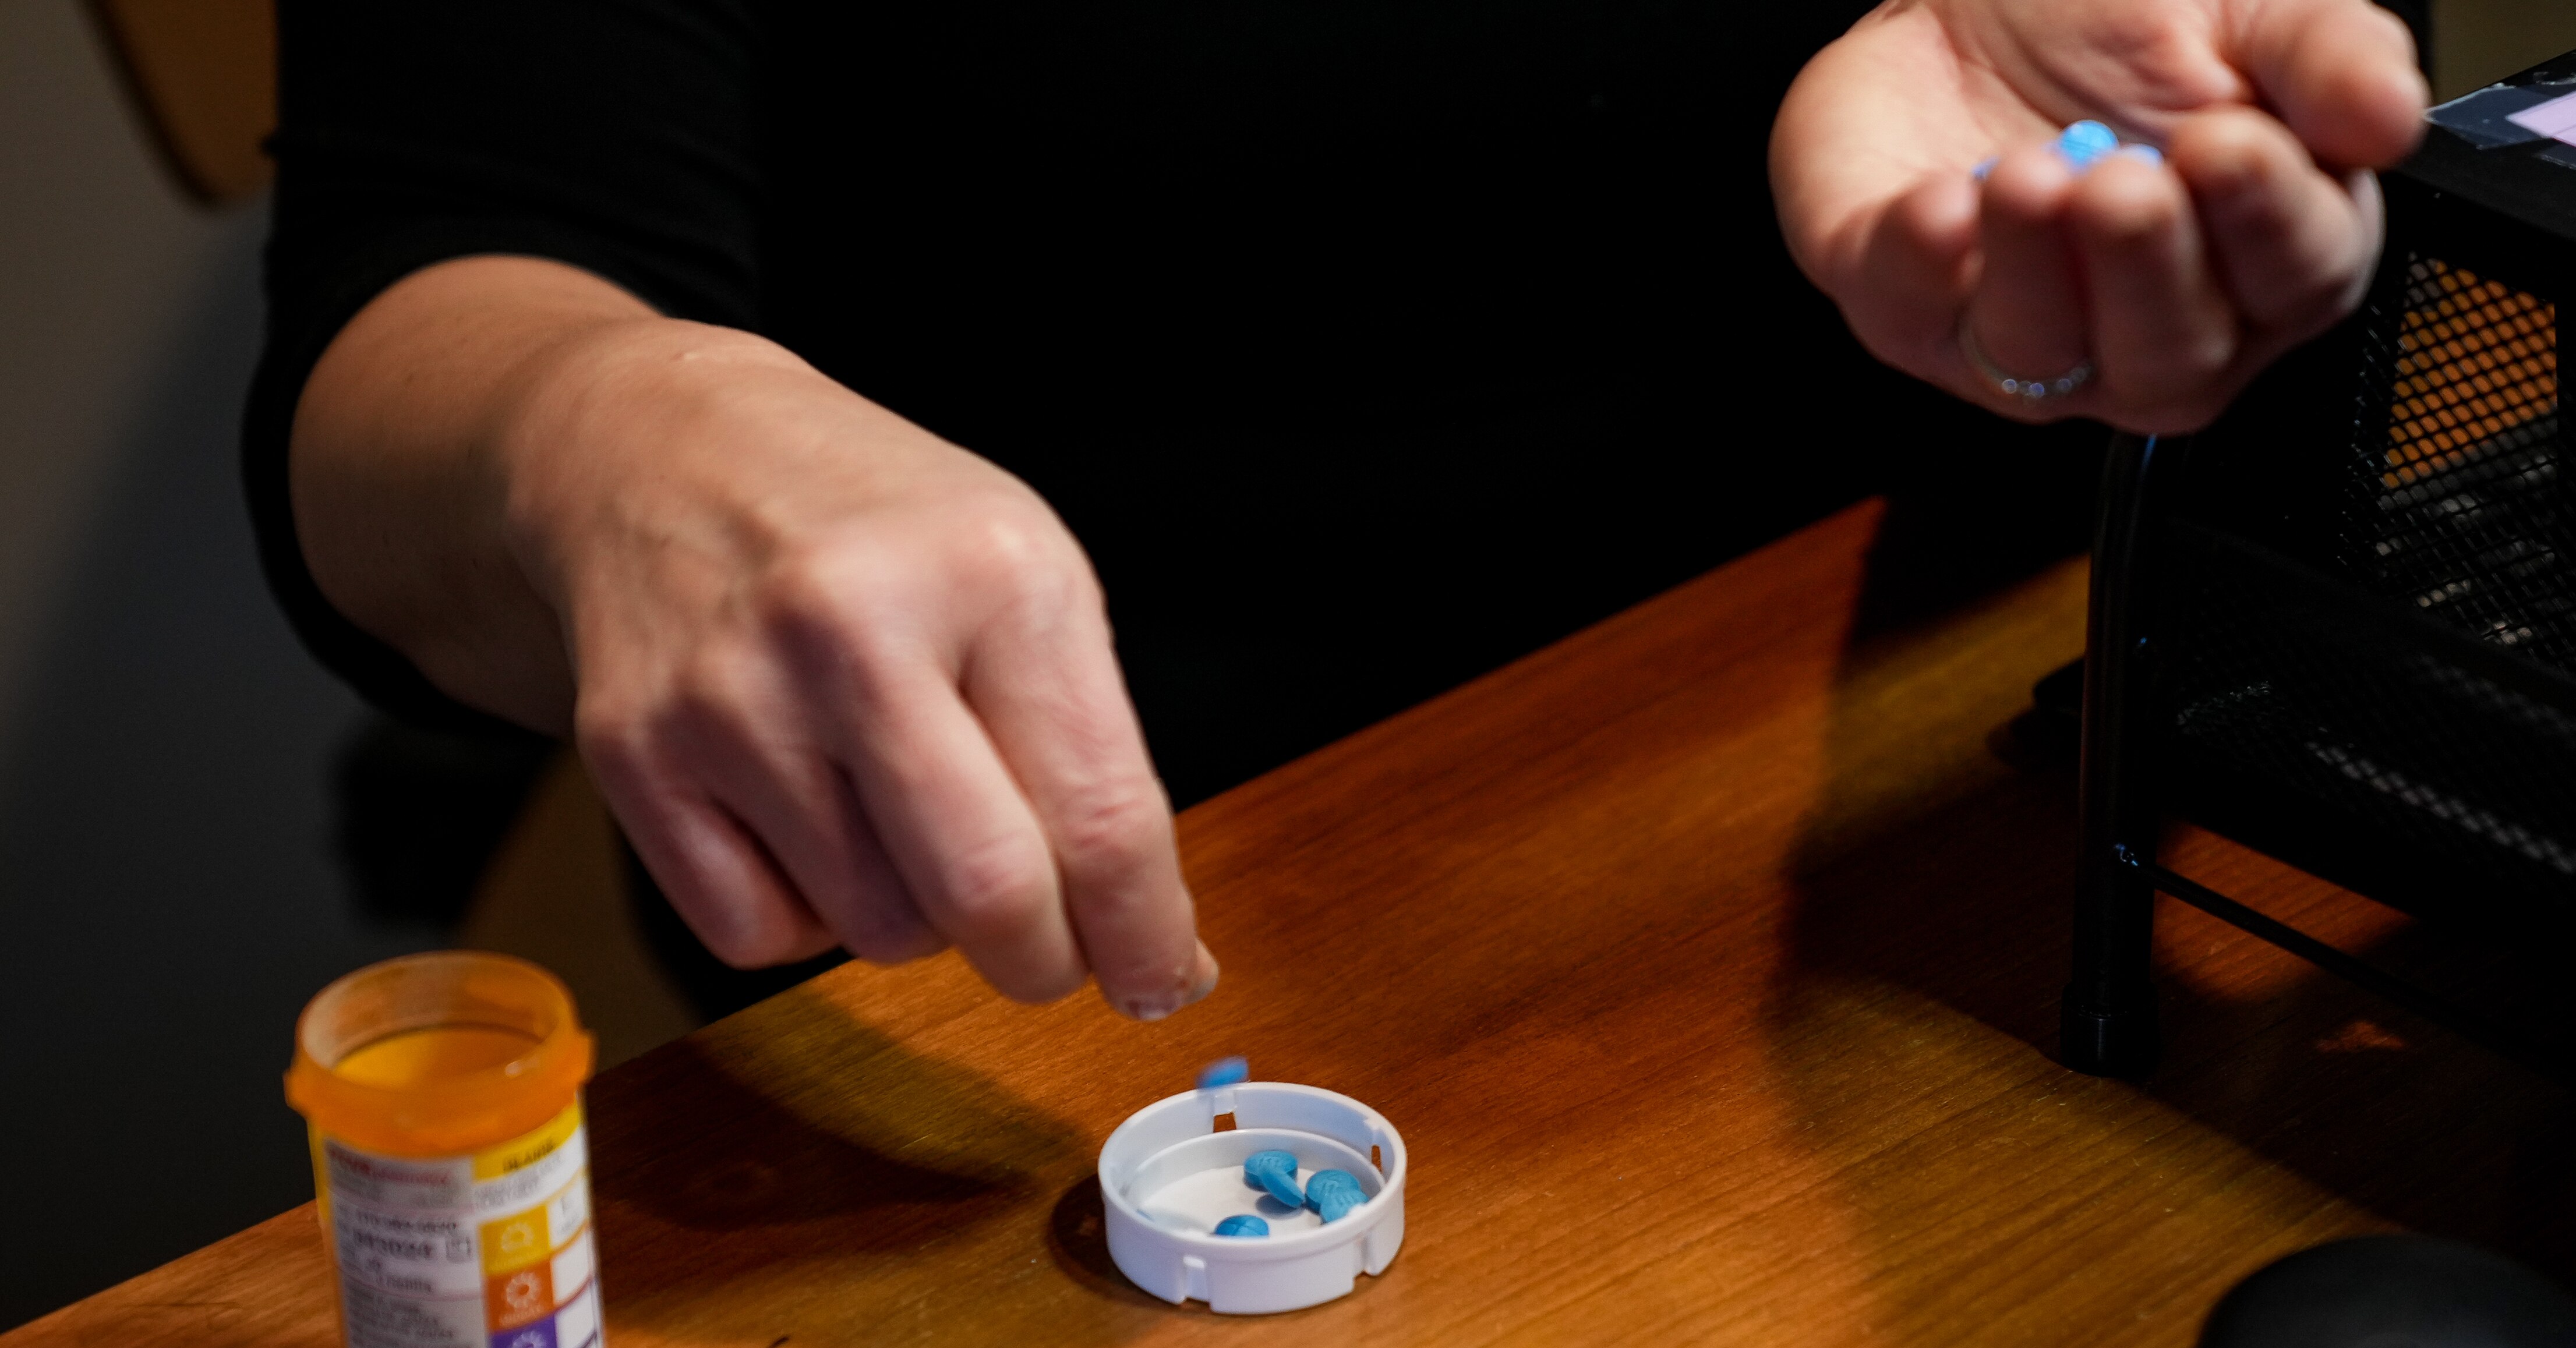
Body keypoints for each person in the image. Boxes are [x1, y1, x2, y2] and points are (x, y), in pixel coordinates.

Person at [248, 0, 2425, 1023]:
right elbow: (413, 305)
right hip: (1047, 945)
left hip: (1958, 789)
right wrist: (597, 422)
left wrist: (2184, 84)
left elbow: (2308, 79)